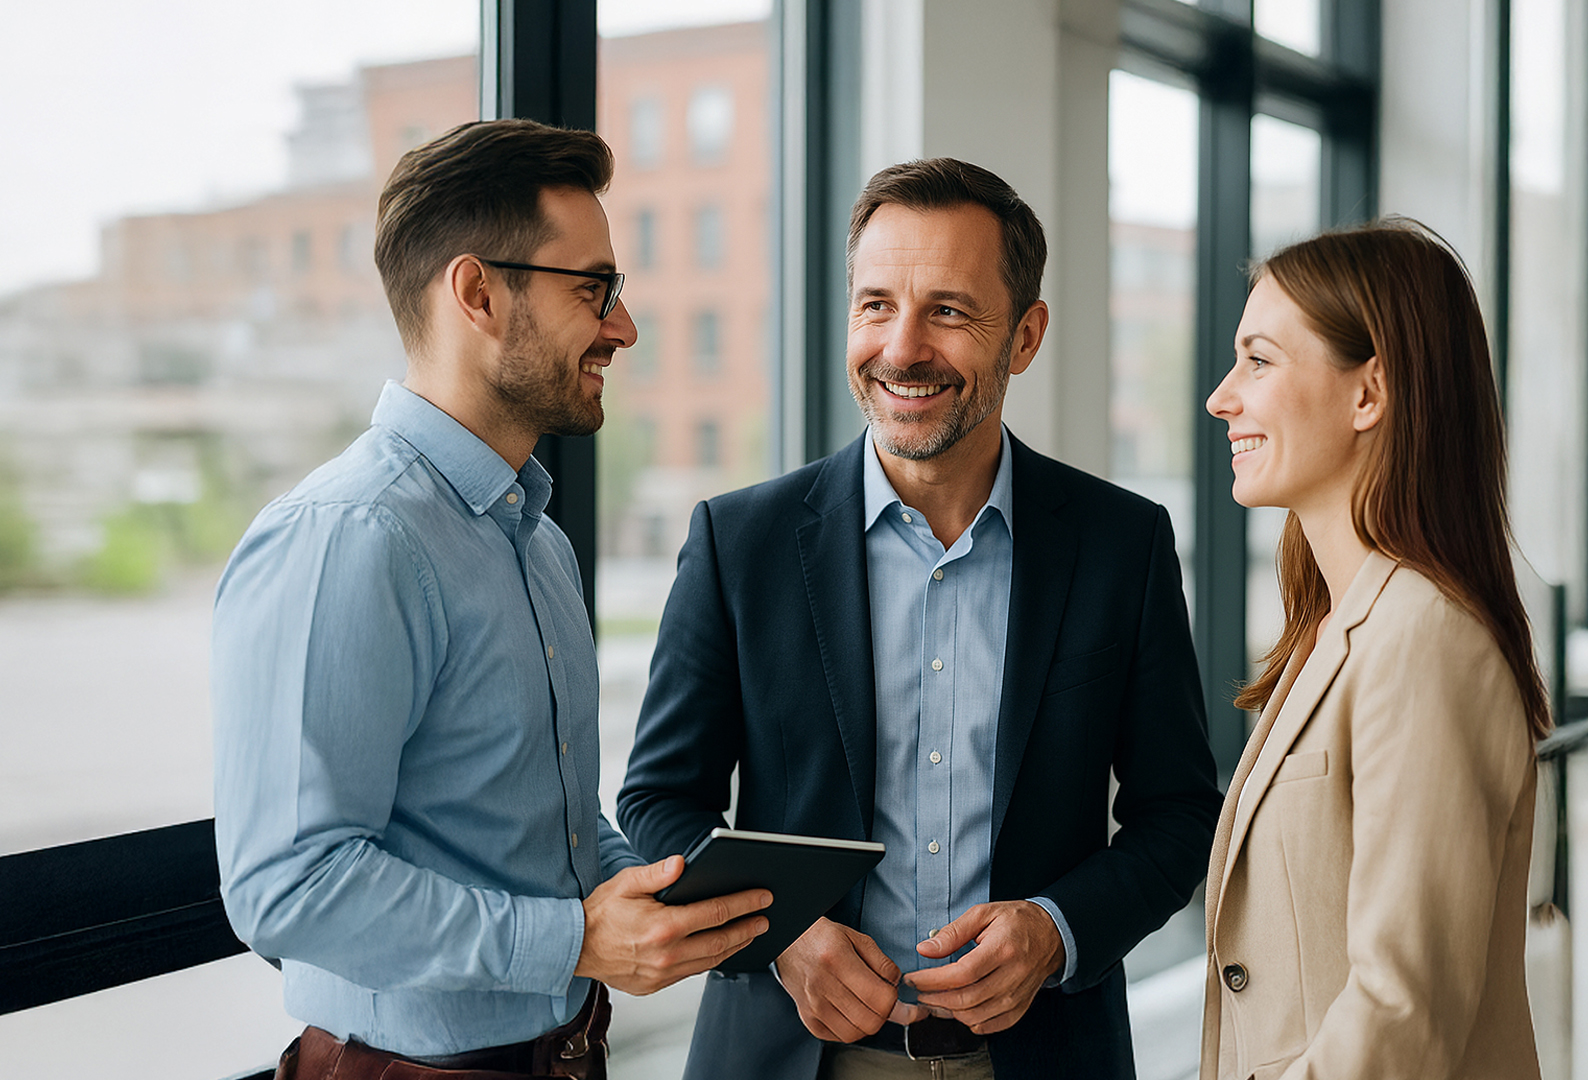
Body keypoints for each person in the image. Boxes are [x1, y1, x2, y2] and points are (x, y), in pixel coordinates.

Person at [618, 157, 1223, 1080]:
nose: (902, 348)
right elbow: (659, 801)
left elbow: (1177, 816)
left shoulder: (1121, 545)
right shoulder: (739, 541)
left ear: (1025, 336)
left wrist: (1056, 932)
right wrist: (781, 936)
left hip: (1041, 1056)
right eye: (875, 305)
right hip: (790, 1053)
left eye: (949, 310)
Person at [211, 119, 772, 1080]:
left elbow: (536, 820)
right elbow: (288, 887)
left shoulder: (536, 541)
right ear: (476, 292)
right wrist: (571, 942)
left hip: (561, 1055)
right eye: (592, 289)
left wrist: (642, 894)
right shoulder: (350, 537)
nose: (624, 327)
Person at [1198, 219, 1550, 1080]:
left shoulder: (1424, 641)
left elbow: (1402, 1014)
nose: (1220, 397)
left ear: (1369, 393)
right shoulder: (1337, 625)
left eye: (1259, 360)